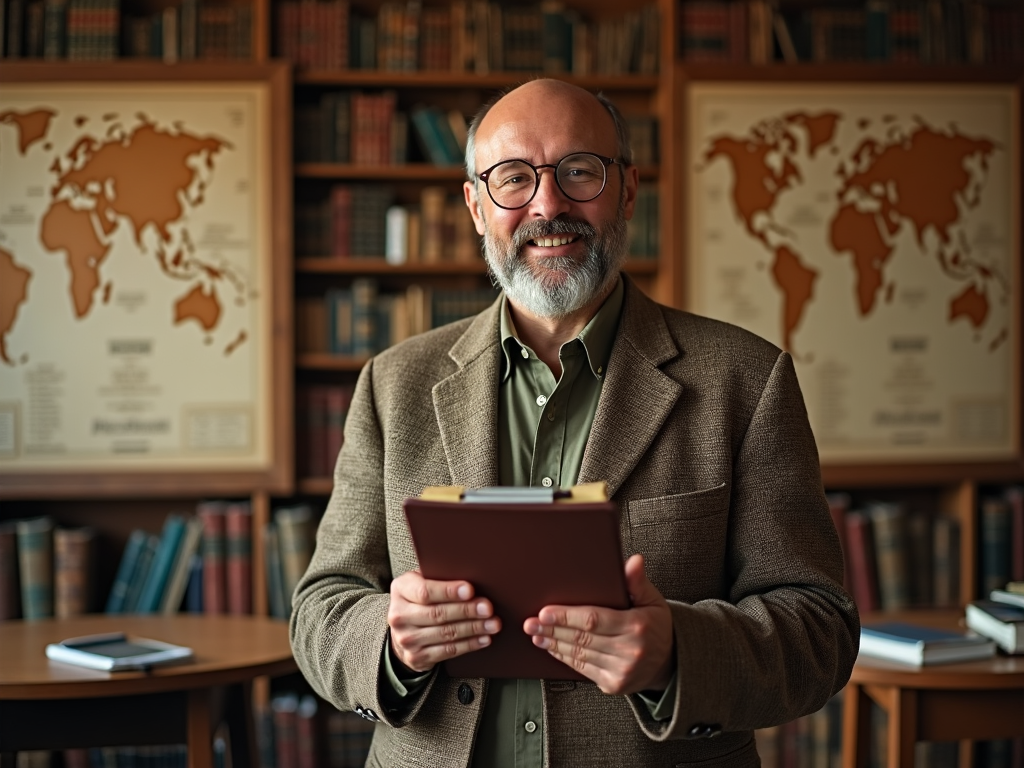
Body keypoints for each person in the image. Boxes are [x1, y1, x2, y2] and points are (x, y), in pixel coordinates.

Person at [290, 78, 859, 768]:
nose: (549, 204)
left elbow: (819, 630)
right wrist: (388, 638)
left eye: (579, 171)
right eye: (512, 178)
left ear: (626, 190)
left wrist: (678, 650)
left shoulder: (744, 379)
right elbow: (321, 606)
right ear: (475, 206)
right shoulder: (393, 384)